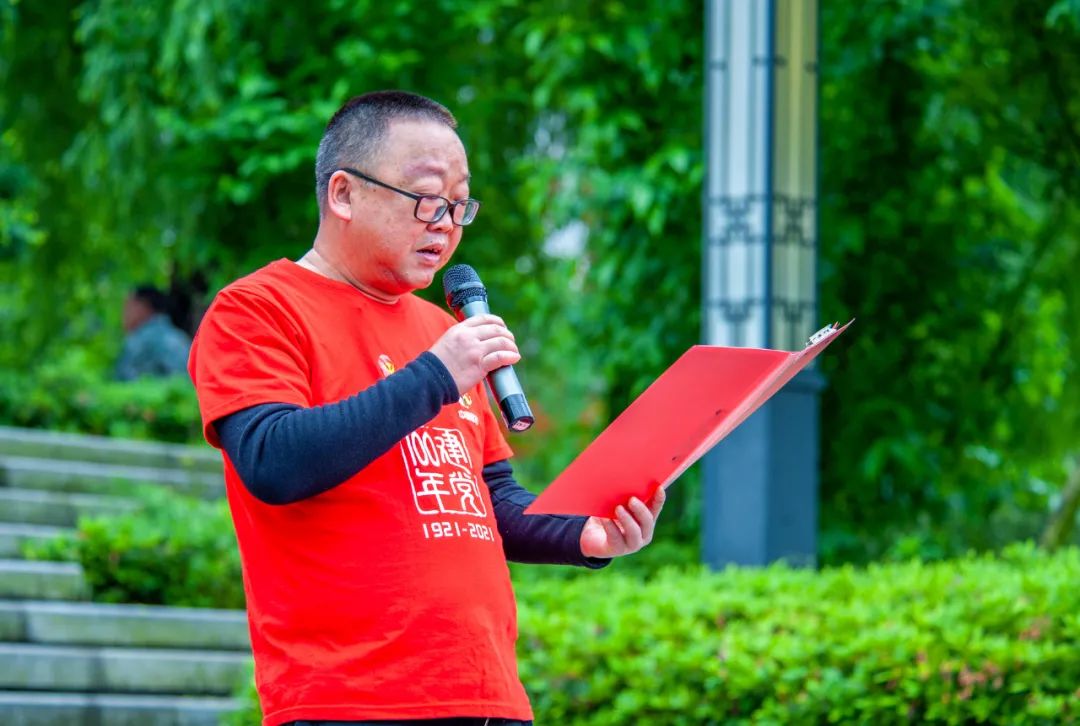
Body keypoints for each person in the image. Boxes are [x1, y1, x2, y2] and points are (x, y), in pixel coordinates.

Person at [187, 90, 665, 726]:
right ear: (344, 194)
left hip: (486, 692)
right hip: (350, 700)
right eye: (427, 198)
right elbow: (274, 461)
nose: (446, 222)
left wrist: (585, 533)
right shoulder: (258, 310)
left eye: (459, 204)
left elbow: (491, 501)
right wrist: (437, 375)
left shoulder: (442, 332)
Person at [114, 285, 192, 381]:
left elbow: (122, 382)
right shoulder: (180, 337)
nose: (124, 314)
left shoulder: (139, 340)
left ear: (142, 306)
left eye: (128, 307)